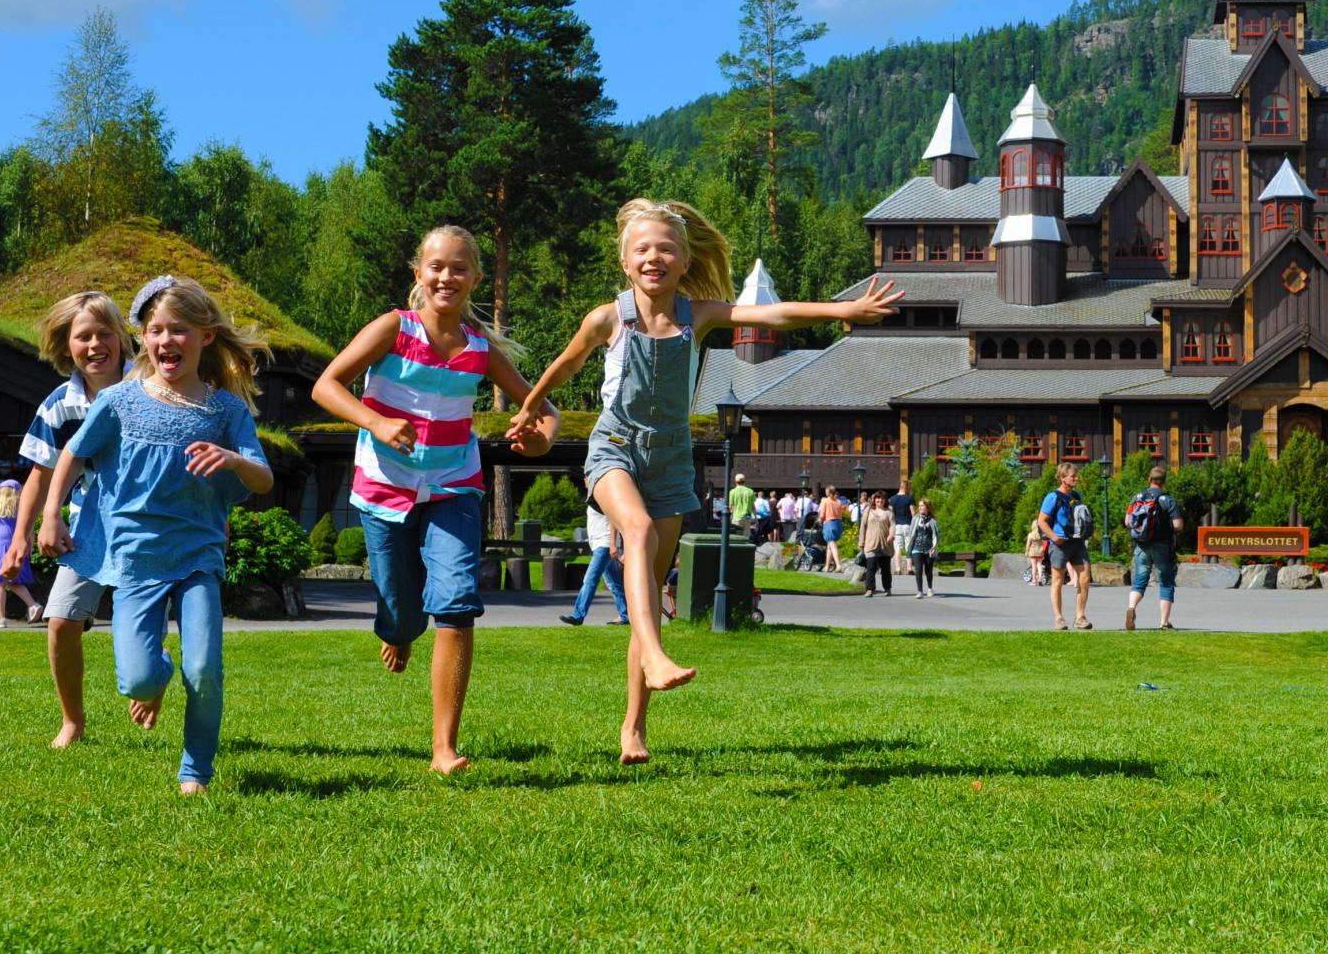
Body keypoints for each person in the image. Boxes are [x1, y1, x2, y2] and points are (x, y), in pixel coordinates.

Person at [509, 198, 900, 764]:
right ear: (624, 261)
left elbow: (776, 316)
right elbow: (565, 364)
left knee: (646, 586)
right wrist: (529, 406)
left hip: (671, 461)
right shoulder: (608, 317)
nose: (654, 257)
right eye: (642, 248)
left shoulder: (701, 315)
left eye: (666, 248)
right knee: (636, 533)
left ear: (685, 259)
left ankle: (633, 729)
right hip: (614, 446)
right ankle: (655, 655)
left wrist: (844, 311)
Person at [311, 226, 554, 774]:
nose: (448, 276)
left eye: (460, 268)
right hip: (384, 488)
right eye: (437, 266)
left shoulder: (480, 352)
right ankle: (398, 630)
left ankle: (443, 746)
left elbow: (542, 406)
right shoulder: (393, 329)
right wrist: (376, 420)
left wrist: (540, 435)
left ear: (474, 279)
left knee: (456, 601)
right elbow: (326, 385)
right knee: (399, 607)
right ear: (419, 273)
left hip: (454, 487)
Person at [39, 276, 274, 794]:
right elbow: (73, 454)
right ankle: (156, 673)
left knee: (205, 667)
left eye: (181, 330)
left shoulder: (226, 411)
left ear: (207, 336)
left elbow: (263, 477)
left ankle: (196, 770)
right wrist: (52, 512)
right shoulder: (120, 401)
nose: (167, 340)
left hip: (198, 557)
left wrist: (234, 458)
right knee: (139, 679)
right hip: (135, 560)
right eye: (156, 330)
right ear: (141, 337)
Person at [12, 290, 132, 748]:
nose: (96, 344)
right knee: (61, 620)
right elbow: (39, 476)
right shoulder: (59, 405)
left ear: (122, 338)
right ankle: (72, 722)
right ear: (66, 346)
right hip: (86, 529)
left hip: (145, 527)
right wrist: (24, 535)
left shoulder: (149, 387)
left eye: (106, 334)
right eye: (84, 336)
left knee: (135, 624)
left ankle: (146, 676)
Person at [1123, 465, 1183, 631]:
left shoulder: (1137, 497)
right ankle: (1164, 622)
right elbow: (1177, 524)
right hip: (1162, 546)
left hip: (1141, 545)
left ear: (1149, 480)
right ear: (1164, 482)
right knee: (1166, 582)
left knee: (1140, 581)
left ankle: (1131, 607)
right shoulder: (1167, 499)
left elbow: (1127, 521)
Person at [0, 478, 43, 628]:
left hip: (1, 546)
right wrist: (30, 547)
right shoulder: (22, 507)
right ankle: (32, 605)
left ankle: (0, 617)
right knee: (11, 580)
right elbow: (30, 531)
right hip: (17, 543)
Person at [1040, 464, 1093, 630]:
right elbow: (1042, 521)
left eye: (1076, 476)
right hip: (1060, 545)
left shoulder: (1077, 495)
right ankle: (1059, 618)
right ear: (1062, 478)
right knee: (1058, 581)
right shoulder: (1052, 497)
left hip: (1077, 542)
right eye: (1072, 476)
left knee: (1084, 579)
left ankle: (1080, 617)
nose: (1076, 478)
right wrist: (1054, 537)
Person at [563, 508, 630, 626]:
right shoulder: (594, 498)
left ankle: (578, 616)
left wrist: (613, 544)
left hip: (605, 545)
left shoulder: (602, 495)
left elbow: (614, 519)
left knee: (590, 580)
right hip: (601, 545)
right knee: (615, 583)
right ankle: (625, 615)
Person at [857, 492, 895, 597]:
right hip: (871, 544)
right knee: (871, 568)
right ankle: (870, 589)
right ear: (874, 500)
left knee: (886, 569)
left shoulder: (889, 512)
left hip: (885, 545)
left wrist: (891, 535)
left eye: (882, 499)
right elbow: (863, 527)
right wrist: (861, 542)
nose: (880, 500)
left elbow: (892, 525)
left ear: (885, 500)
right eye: (878, 498)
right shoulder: (868, 511)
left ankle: (887, 588)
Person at [908, 498, 940, 596]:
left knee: (928, 570)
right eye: (919, 505)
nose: (920, 507)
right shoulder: (915, 518)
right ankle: (920, 591)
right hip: (917, 548)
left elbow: (936, 535)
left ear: (927, 507)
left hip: (929, 549)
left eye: (922, 505)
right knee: (918, 569)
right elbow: (911, 533)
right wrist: (909, 547)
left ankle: (930, 588)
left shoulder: (933, 521)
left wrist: (934, 547)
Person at [818, 485, 847, 573]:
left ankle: (838, 565)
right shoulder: (838, 502)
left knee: (832, 544)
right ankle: (827, 566)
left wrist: (820, 520)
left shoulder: (825, 501)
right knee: (830, 545)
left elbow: (822, 514)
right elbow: (841, 513)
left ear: (828, 492)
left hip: (829, 523)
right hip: (838, 524)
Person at [890, 478, 915, 576]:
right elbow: (913, 513)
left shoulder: (892, 499)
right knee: (909, 547)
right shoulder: (910, 498)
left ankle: (898, 569)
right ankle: (909, 568)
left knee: (898, 548)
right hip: (908, 525)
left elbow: (891, 515)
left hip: (897, 526)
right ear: (906, 487)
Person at [728, 473, 756, 537]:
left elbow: (731, 506)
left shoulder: (732, 491)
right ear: (744, 481)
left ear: (735, 481)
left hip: (736, 516)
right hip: (747, 515)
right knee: (746, 536)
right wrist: (755, 517)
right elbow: (753, 506)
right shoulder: (750, 491)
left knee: (737, 536)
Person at [1023, 515, 1048, 586]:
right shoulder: (1041, 535)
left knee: (1034, 566)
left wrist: (1026, 551)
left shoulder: (1030, 535)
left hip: (1033, 551)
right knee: (1039, 565)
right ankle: (1040, 578)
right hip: (1040, 551)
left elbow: (1028, 544)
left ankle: (1034, 580)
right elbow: (1044, 544)